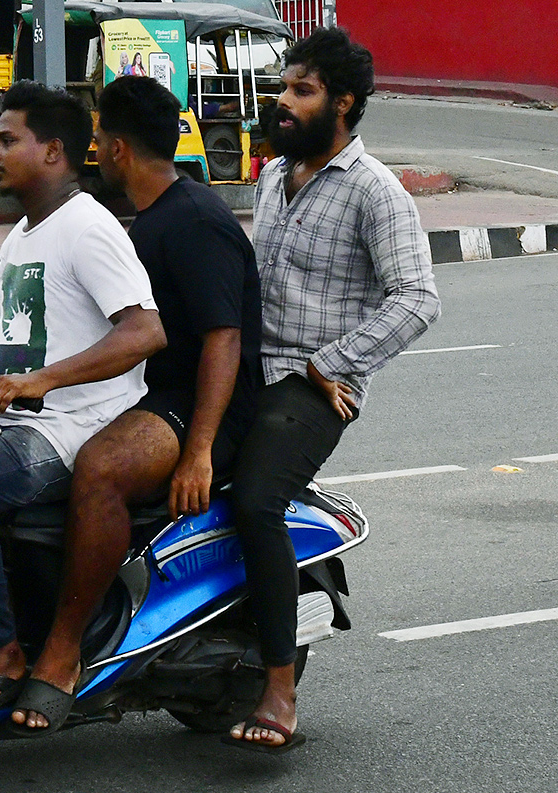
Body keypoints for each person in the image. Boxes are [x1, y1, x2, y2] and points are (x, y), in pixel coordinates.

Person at [10, 75, 262, 734]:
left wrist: (200, 450)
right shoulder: (142, 222)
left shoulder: (197, 220)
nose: (91, 151)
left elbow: (223, 340)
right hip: (150, 392)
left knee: (99, 465)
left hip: (201, 402)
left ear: (117, 149)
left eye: (95, 139)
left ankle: (63, 654)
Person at [0, 80, 166, 720]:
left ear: (54, 151)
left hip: (71, 426)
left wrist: (42, 381)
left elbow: (145, 330)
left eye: (6, 140)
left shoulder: (87, 228)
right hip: (15, 413)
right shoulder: (26, 234)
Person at [225, 27, 440, 751]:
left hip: (315, 387)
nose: (282, 101)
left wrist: (333, 363)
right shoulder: (272, 175)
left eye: (301, 91)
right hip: (252, 370)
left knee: (255, 500)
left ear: (342, 103)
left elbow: (416, 298)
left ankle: (280, 686)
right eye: (283, 87)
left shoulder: (374, 190)